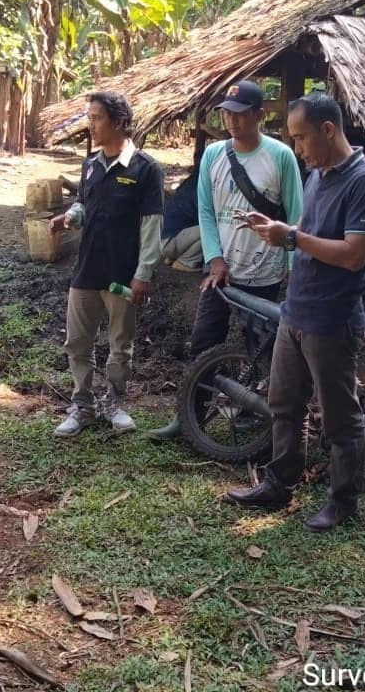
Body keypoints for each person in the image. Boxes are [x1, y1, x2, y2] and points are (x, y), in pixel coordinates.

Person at [226, 92, 365, 531]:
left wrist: (292, 239)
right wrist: (281, 230)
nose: (297, 149)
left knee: (339, 418)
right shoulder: (318, 174)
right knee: (284, 404)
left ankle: (342, 502)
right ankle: (280, 483)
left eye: (301, 138)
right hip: (296, 311)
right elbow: (312, 234)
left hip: (332, 319)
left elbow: (354, 255)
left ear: (328, 130)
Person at [148, 79, 303, 441]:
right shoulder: (215, 156)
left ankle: (253, 418)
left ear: (259, 116)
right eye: (226, 114)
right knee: (203, 342)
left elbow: (297, 214)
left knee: (260, 349)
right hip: (221, 272)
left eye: (240, 115)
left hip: (264, 270)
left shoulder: (281, 156)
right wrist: (214, 258)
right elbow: (206, 210)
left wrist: (294, 270)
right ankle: (190, 418)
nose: (232, 122)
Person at [50, 91, 164, 436]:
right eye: (90, 118)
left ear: (118, 122)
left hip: (123, 274)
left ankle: (114, 403)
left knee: (120, 344)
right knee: (78, 342)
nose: (91, 126)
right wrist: (69, 216)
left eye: (97, 119)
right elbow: (86, 206)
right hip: (86, 270)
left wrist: (143, 274)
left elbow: (151, 226)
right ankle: (82, 405)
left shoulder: (145, 169)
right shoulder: (90, 165)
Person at [161, 151, 203, 273]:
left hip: (165, 240)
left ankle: (172, 255)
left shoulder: (189, 182)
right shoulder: (199, 187)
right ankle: (186, 261)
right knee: (213, 230)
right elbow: (206, 217)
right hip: (171, 241)